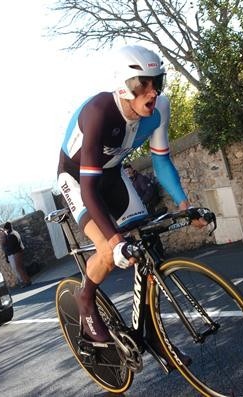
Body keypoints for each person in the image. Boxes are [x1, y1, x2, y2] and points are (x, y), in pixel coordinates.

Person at [57, 44, 207, 346]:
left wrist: (184, 204)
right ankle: (85, 299)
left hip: (113, 174)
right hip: (76, 179)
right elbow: (88, 189)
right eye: (142, 85)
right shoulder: (99, 111)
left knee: (146, 251)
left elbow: (161, 160)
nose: (152, 92)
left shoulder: (160, 108)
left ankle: (152, 337)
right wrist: (114, 242)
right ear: (124, 88)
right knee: (109, 252)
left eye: (157, 83)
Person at [0, 222, 31, 287]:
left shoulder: (11, 235)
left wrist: (5, 245)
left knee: (18, 268)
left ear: (6, 228)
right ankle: (27, 280)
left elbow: (11, 246)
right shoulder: (15, 232)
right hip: (19, 251)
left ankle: (26, 282)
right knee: (21, 268)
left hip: (16, 252)